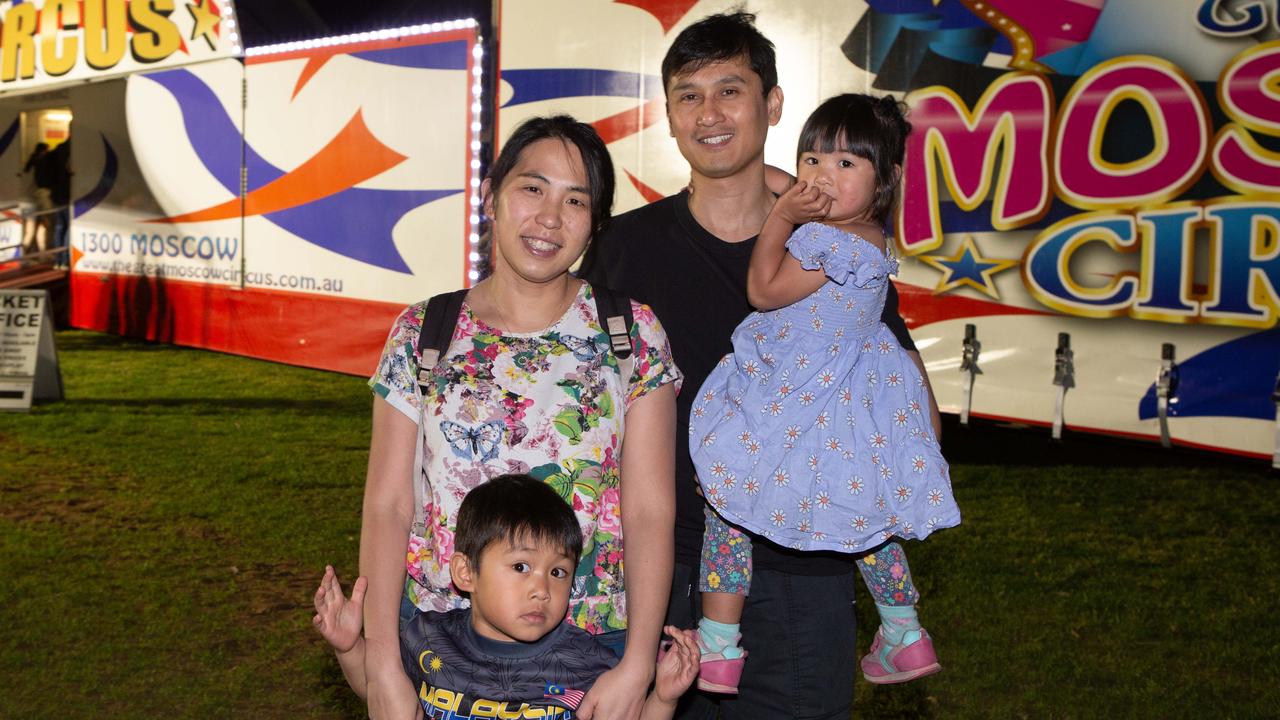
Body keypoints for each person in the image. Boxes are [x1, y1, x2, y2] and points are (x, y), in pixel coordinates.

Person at [579, 11, 939, 719]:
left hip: (801, 582)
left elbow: (906, 395)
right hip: (651, 573)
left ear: (772, 105)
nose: (709, 113)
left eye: (730, 90)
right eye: (688, 94)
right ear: (671, 115)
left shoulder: (836, 256)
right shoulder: (623, 248)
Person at [361, 115, 680, 720]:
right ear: (492, 196)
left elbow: (648, 509)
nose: (550, 218)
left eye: (576, 200)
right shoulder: (423, 333)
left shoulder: (631, 334)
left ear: (595, 223)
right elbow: (388, 504)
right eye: (533, 188)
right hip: (440, 640)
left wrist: (637, 663)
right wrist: (382, 662)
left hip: (591, 641)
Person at [688, 92, 962, 693]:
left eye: (845, 165)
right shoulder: (867, 235)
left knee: (729, 502)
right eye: (813, 159)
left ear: (885, 178)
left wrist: (781, 217)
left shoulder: (825, 242)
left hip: (797, 399)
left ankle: (718, 646)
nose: (821, 177)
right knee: (865, 518)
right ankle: (904, 630)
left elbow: (763, 289)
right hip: (851, 405)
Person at [315, 474, 701, 719]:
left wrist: (663, 700)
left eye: (558, 572)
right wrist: (349, 649)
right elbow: (377, 693)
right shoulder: (427, 638)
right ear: (466, 572)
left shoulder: (587, 662)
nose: (541, 589)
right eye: (521, 567)